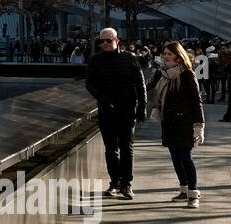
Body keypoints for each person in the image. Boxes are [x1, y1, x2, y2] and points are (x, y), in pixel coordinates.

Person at [85, 28, 146, 200]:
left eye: (108, 41)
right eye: (102, 41)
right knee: (111, 149)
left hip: (127, 109)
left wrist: (142, 107)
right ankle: (114, 182)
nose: (104, 44)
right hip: (106, 109)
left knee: (126, 148)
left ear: (117, 41)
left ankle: (126, 184)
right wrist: (101, 98)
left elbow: (140, 83)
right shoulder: (95, 60)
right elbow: (89, 83)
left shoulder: (129, 58)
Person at [152, 42, 205, 208]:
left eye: (169, 53)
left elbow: (197, 101)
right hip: (168, 122)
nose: (166, 56)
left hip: (184, 122)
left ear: (178, 55)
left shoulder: (187, 74)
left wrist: (199, 125)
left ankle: (193, 193)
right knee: (175, 157)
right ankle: (183, 190)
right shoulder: (164, 74)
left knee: (186, 158)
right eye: (164, 53)